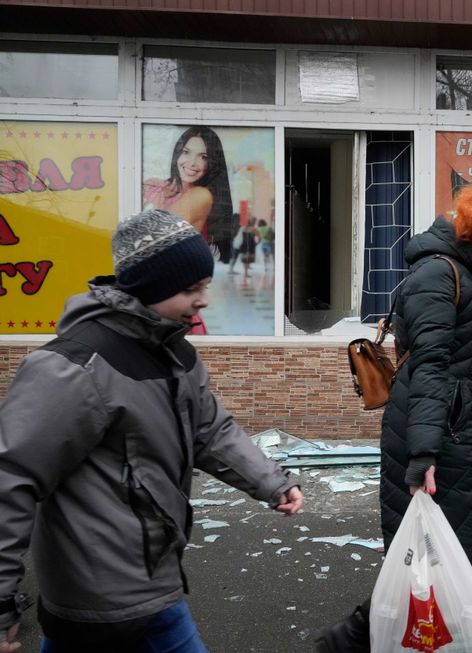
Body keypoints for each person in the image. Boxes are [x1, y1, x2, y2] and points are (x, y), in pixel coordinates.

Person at [0, 209, 305, 653]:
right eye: (189, 289)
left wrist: (271, 482)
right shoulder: (73, 367)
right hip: (95, 598)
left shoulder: (175, 353)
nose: (204, 300)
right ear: (147, 288)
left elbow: (210, 431)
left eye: (205, 284)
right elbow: (10, 478)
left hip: (155, 580)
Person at [314, 184, 472, 653]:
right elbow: (430, 364)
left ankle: (394, 635)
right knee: (441, 548)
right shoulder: (439, 275)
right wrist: (424, 452)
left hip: (448, 425)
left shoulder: (457, 272)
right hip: (434, 430)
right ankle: (356, 637)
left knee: (448, 545)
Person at [143, 126, 236, 264]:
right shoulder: (157, 186)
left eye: (203, 157)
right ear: (178, 154)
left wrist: (156, 203)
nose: (192, 163)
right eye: (186, 152)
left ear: (212, 163)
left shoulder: (201, 195)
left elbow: (159, 238)